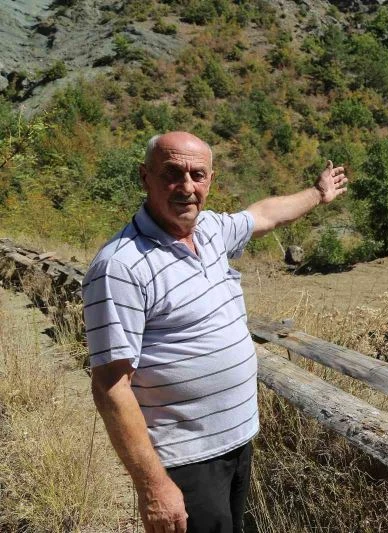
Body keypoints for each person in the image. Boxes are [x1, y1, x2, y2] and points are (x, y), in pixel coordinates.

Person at [83, 131, 348, 533]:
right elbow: (110, 386)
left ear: (210, 180)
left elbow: (267, 214)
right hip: (186, 458)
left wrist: (318, 192)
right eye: (172, 173)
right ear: (145, 177)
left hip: (237, 439)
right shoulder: (120, 267)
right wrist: (154, 487)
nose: (186, 187)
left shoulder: (210, 231)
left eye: (198, 175)